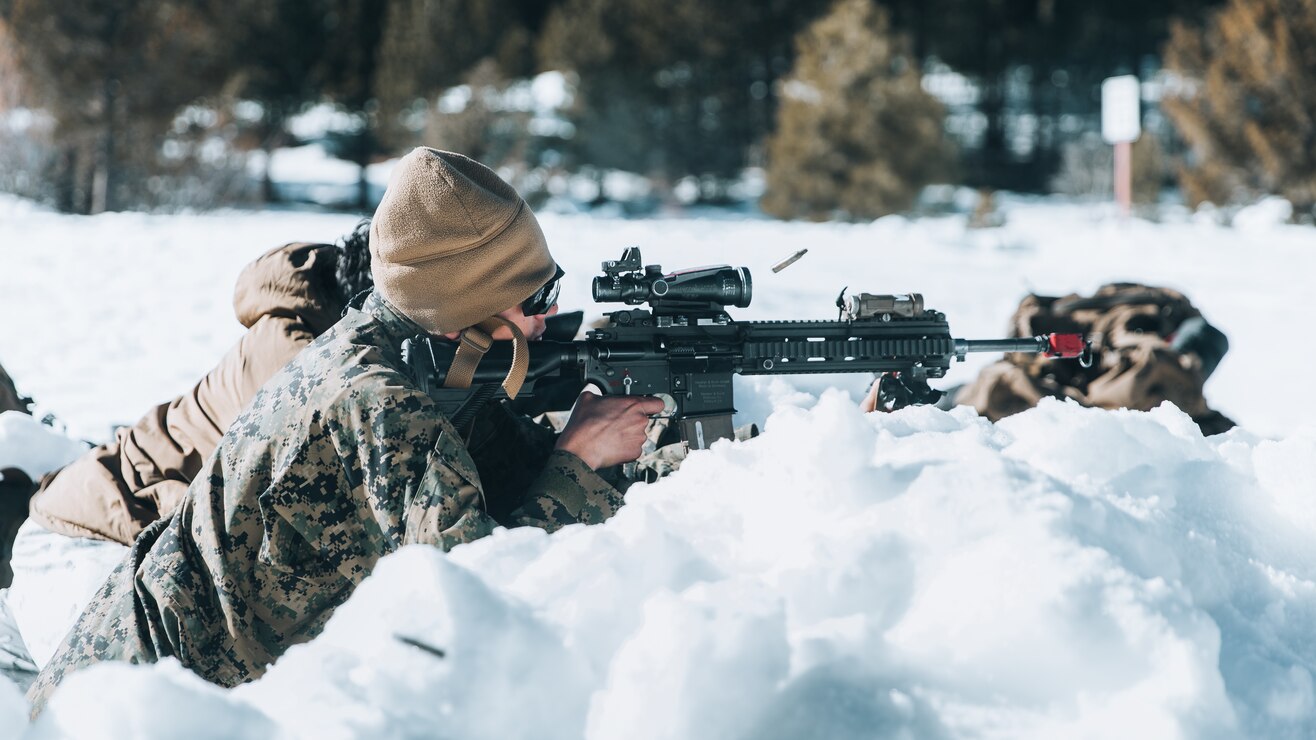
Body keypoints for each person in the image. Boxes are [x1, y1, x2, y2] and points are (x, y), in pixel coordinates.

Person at [27, 148, 662, 712]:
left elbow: (510, 473)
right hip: (133, 704)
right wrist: (579, 461)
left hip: (187, 688)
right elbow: (485, 602)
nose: (549, 316)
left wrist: (633, 445)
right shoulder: (376, 398)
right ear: (462, 307)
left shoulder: (428, 359)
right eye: (534, 295)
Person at [0, 223, 374, 690]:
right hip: (82, 535)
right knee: (139, 700)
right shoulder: (300, 359)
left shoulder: (306, 333)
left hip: (108, 508)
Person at [899, 283, 1235, 435]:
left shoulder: (1152, 329)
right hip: (1057, 378)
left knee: (993, 385)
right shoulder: (1165, 362)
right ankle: (920, 402)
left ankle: (920, 401)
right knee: (996, 386)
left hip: (1040, 378)